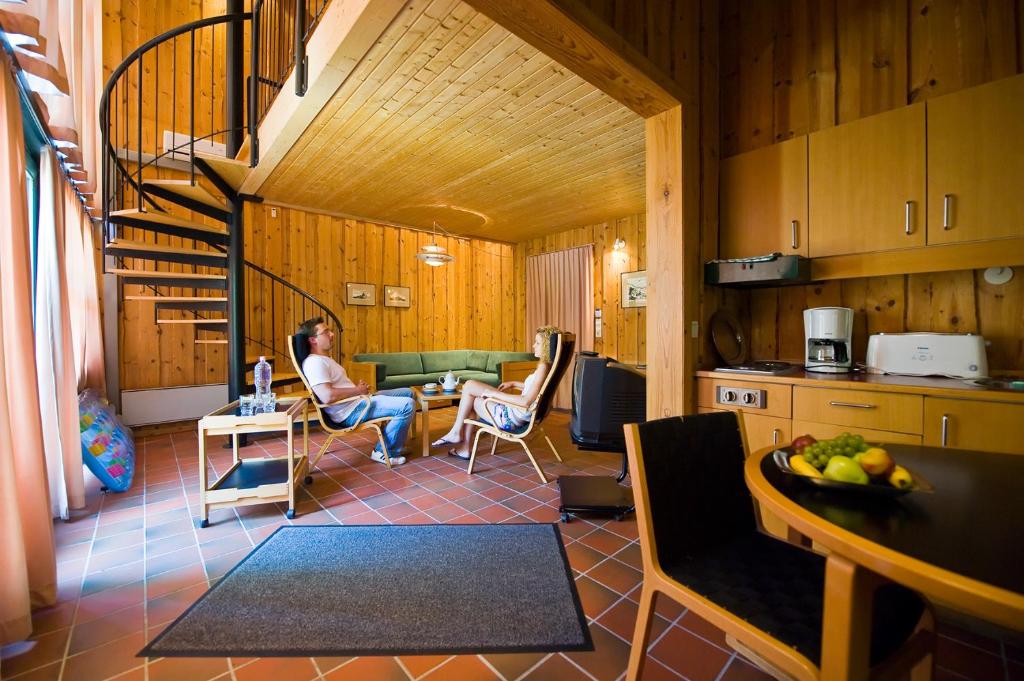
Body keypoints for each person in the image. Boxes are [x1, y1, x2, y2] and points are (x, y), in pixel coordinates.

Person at [431, 326, 560, 460]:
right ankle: (460, 439)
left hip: (509, 417)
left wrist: (494, 394)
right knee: (470, 386)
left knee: (471, 397)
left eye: (538, 343)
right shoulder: (549, 366)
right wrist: (514, 383)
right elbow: (537, 390)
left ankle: (459, 437)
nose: (533, 346)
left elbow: (526, 401)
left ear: (546, 346)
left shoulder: (543, 367)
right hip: (518, 413)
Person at [298, 317, 414, 466]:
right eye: (326, 332)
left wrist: (358, 390)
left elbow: (337, 387)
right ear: (313, 340)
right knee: (407, 405)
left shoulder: (325, 359)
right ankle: (383, 451)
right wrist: (357, 390)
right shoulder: (314, 363)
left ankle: (395, 442)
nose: (332, 334)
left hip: (358, 401)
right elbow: (327, 396)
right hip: (350, 412)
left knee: (408, 392)